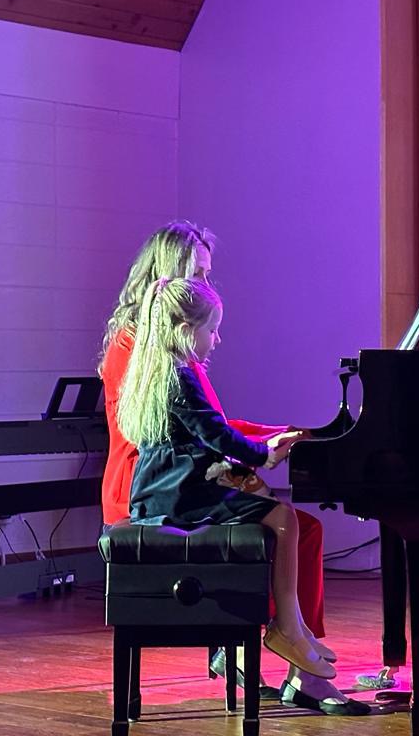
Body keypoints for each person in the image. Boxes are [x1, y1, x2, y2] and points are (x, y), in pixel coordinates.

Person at [100, 222, 368, 714]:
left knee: (295, 527)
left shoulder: (170, 340)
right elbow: (180, 433)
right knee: (293, 528)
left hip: (181, 476)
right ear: (168, 273)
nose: (207, 281)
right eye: (198, 272)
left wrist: (265, 441)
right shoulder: (137, 344)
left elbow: (208, 426)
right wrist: (264, 445)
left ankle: (264, 646)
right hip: (151, 486)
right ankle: (288, 657)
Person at [117, 277, 332, 678]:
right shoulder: (179, 377)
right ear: (186, 331)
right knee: (283, 518)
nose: (216, 340)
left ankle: (294, 624)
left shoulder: (156, 372)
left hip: (164, 490)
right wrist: (265, 455)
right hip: (178, 497)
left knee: (276, 512)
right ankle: (287, 627)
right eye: (212, 330)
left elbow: (203, 436)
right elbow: (215, 434)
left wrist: (262, 444)